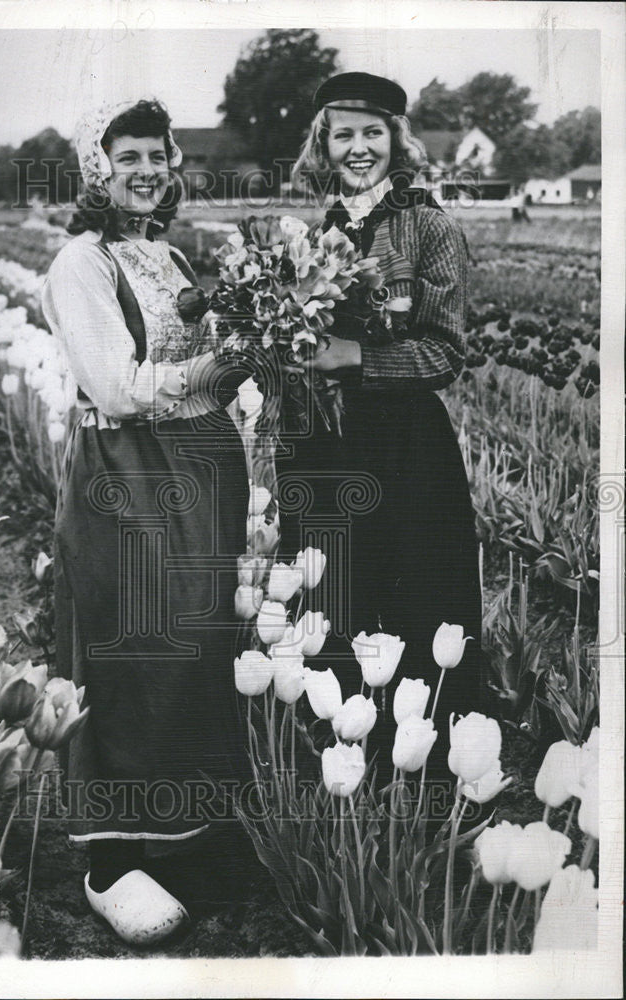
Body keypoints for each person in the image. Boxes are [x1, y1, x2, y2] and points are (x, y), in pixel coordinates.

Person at [42, 98, 255, 943]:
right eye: (124, 156)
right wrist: (216, 361)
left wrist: (256, 346)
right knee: (134, 640)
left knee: (198, 640)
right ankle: (109, 855)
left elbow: (203, 381)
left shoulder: (166, 255)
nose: (144, 170)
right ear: (97, 169)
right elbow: (116, 386)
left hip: (201, 465)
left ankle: (188, 836)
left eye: (155, 156)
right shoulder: (82, 263)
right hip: (128, 472)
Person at [283, 72, 484, 808]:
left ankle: (424, 779)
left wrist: (355, 358)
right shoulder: (312, 233)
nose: (358, 147)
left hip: (403, 447)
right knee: (334, 590)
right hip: (325, 446)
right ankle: (343, 763)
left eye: (373, 132)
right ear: (323, 145)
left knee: (416, 601)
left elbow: (446, 353)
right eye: (344, 134)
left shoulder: (427, 228)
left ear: (396, 141)